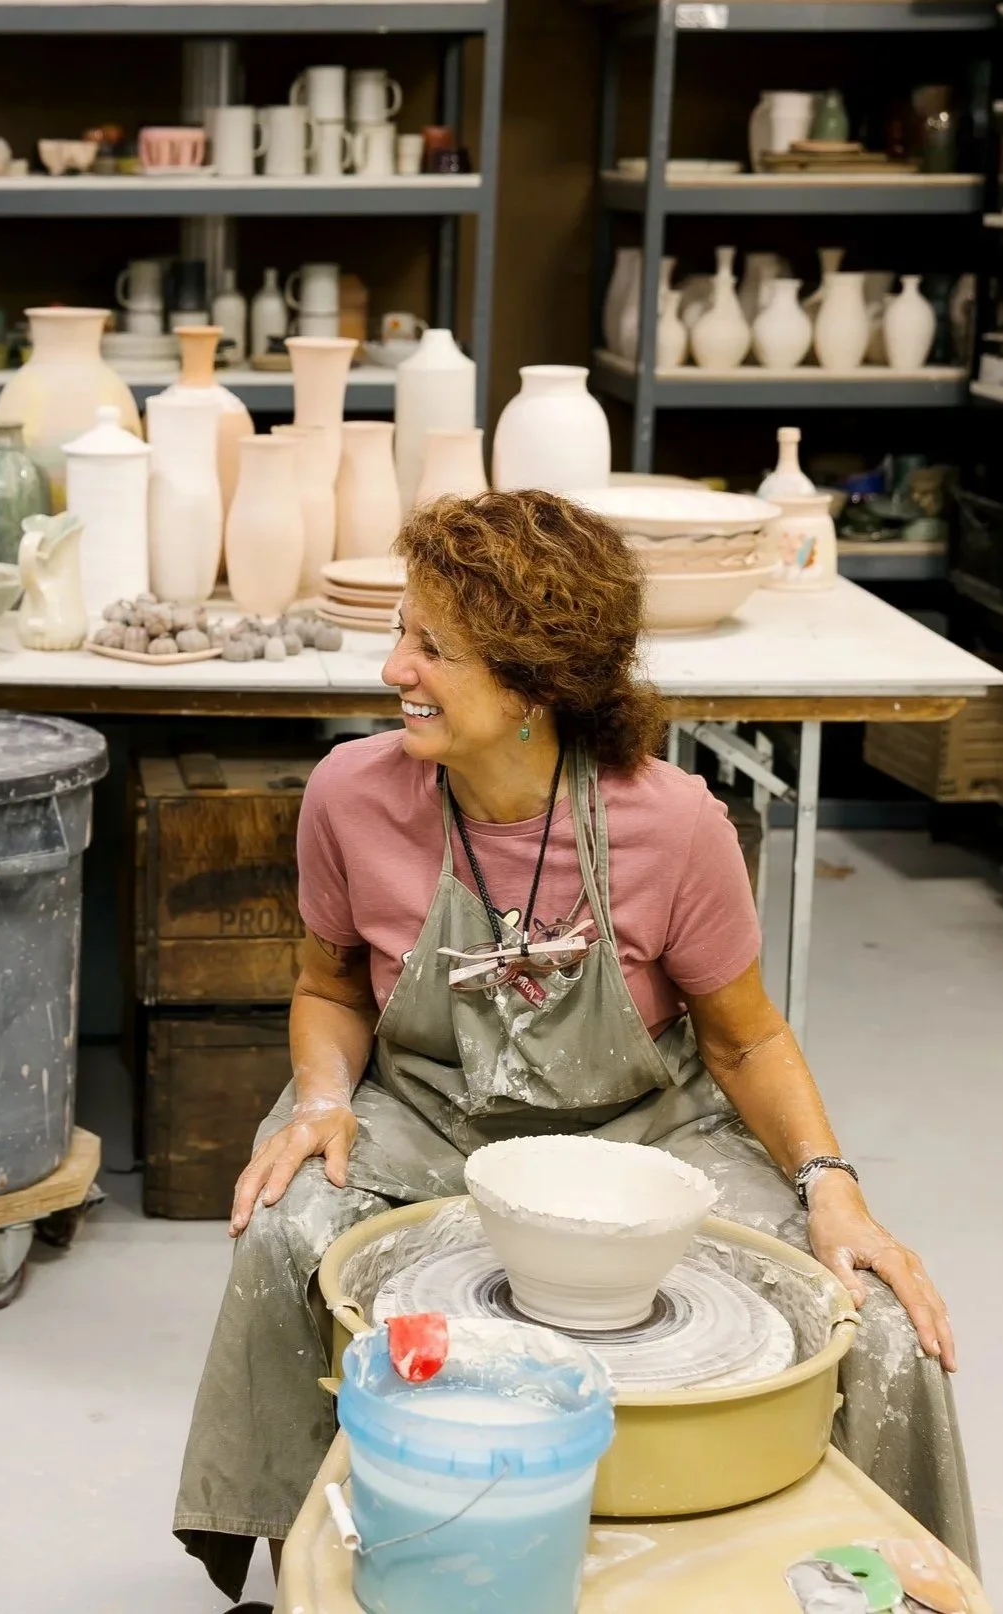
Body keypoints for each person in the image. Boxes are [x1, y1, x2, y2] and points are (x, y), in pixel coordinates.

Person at [174, 489, 974, 1599]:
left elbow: (744, 1042)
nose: (393, 667)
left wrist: (831, 1186)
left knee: (871, 1320)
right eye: (402, 633)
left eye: (431, 647)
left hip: (637, 1133)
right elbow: (325, 988)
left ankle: (896, 1584)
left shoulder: (674, 822)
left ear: (532, 688)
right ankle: (319, 1570)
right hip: (424, 1114)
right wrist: (320, 1097)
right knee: (283, 1230)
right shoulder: (350, 795)